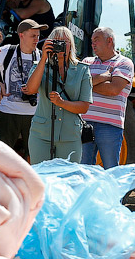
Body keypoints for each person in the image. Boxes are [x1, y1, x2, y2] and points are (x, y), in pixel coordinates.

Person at [24, 26, 92, 164]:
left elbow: (84, 107)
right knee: (40, 178)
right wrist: (44, 58)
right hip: (41, 135)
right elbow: (30, 89)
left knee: (67, 180)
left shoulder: (82, 70)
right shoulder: (40, 66)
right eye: (56, 42)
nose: (60, 45)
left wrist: (62, 103)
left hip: (70, 136)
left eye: (65, 42)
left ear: (71, 45)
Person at [80, 27, 135, 169]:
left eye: (96, 40)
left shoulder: (124, 63)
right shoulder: (87, 61)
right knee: (82, 171)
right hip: (84, 125)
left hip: (110, 127)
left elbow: (113, 89)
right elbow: (77, 86)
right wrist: (102, 78)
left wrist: (88, 84)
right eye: (92, 41)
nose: (93, 44)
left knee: (111, 171)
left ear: (109, 41)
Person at [0, 19, 46, 158]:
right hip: (8, 113)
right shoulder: (6, 51)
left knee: (35, 156)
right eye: (33, 36)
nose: (37, 39)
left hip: (35, 114)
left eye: (38, 36)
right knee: (2, 155)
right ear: (21, 35)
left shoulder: (42, 56)